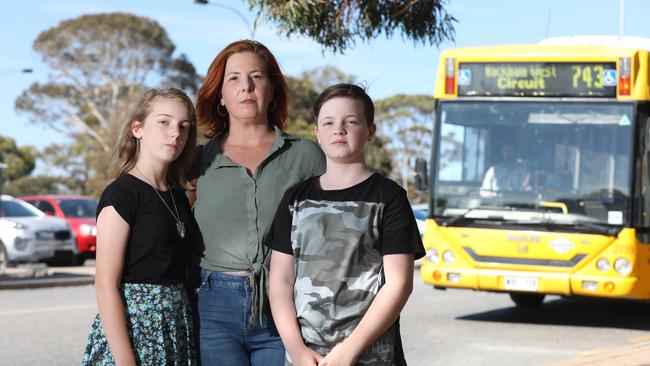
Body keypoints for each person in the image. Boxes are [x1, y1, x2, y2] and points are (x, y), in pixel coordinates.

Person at [267, 83, 425, 366]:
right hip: (306, 355)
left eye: (351, 121)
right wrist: (297, 350)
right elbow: (280, 281)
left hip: (371, 354)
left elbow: (399, 283)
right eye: (328, 122)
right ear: (317, 132)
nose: (339, 129)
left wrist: (350, 349)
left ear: (370, 132)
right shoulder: (295, 199)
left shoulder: (389, 197)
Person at [192, 40, 325, 366]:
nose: (246, 87)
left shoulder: (306, 156)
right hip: (214, 308)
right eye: (233, 78)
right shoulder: (195, 161)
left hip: (286, 307)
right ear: (220, 96)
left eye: (256, 77)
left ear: (272, 90)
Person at [82, 87, 199, 365]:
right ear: (138, 129)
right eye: (164, 122)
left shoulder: (178, 196)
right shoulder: (122, 194)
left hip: (176, 330)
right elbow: (105, 286)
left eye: (184, 126)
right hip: (135, 335)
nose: (175, 133)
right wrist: (126, 361)